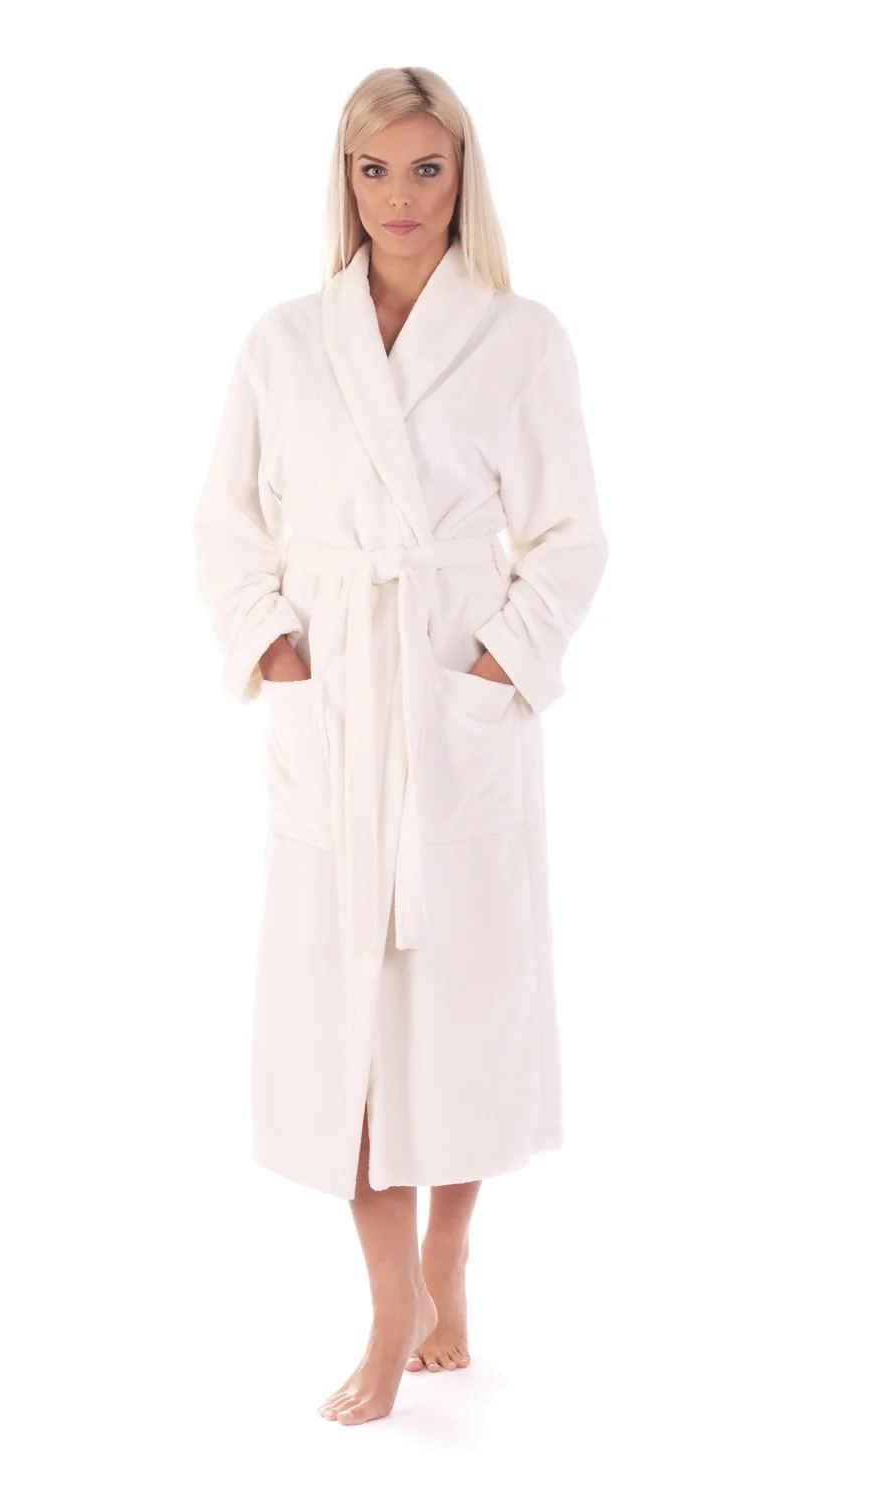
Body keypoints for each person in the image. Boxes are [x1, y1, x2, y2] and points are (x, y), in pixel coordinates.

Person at [192, 65, 609, 1425]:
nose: (401, 196)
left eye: (428, 167)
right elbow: (225, 526)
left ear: (463, 176)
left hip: (450, 703)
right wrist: (279, 653)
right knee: (346, 1023)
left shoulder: (521, 338)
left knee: (463, 1001)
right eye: (376, 169)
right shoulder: (283, 341)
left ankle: (450, 1256)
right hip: (337, 706)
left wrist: (494, 671)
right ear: (346, 178)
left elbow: (571, 535)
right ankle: (390, 1308)